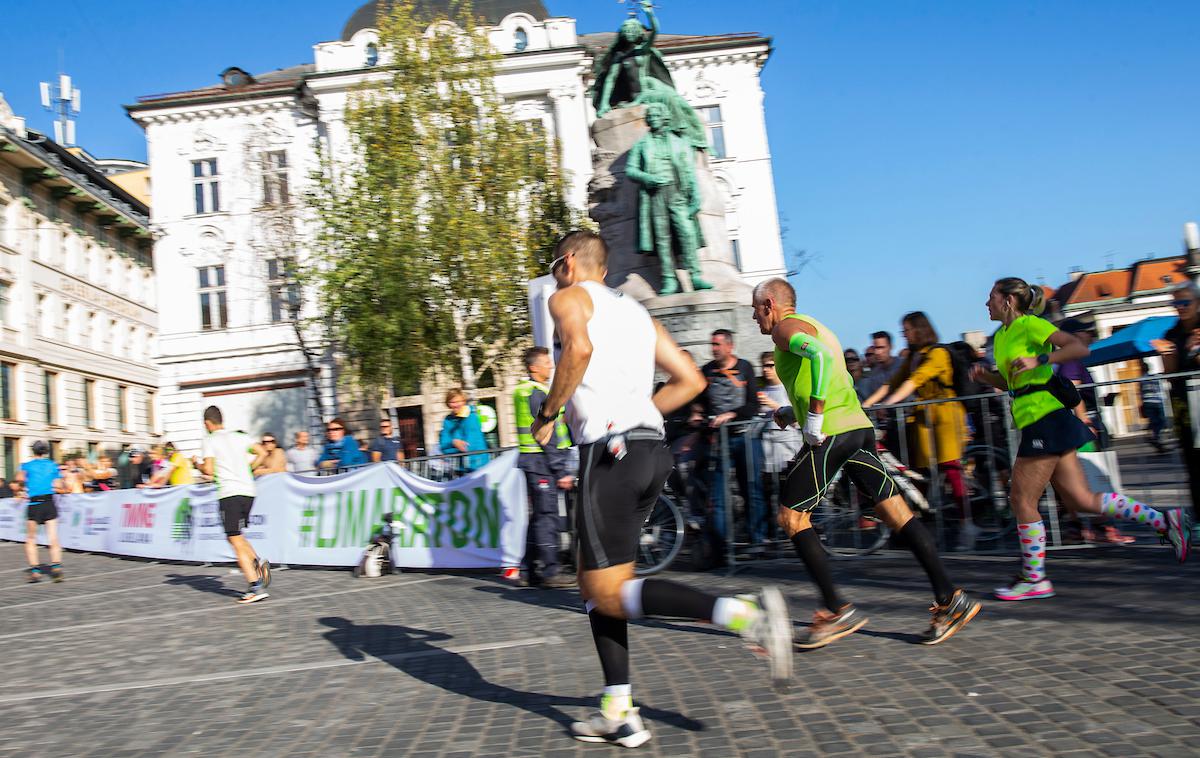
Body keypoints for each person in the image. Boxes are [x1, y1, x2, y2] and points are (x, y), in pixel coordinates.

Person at [534, 231, 792, 746]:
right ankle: (618, 709)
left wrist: (549, 413)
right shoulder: (636, 314)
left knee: (600, 589)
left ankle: (741, 616)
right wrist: (641, 414)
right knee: (604, 589)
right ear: (605, 269)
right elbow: (691, 383)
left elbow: (578, 349)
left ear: (567, 263)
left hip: (608, 451)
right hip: (650, 448)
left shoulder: (566, 297)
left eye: (553, 264)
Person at [751, 278, 980, 646]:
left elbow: (820, 360)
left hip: (831, 434)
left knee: (792, 518)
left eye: (755, 309)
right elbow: (829, 376)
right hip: (857, 428)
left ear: (770, 305)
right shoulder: (818, 326)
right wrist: (790, 412)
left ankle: (836, 611)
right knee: (898, 513)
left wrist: (812, 418)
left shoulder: (784, 330)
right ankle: (951, 598)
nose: (754, 318)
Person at [972, 277, 1190, 601]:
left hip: (1045, 419)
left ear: (1008, 301)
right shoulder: (1002, 337)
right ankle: (1163, 519)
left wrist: (1041, 359)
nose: (986, 303)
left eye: (991, 297)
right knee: (1081, 500)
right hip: (1038, 419)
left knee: (1021, 500)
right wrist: (985, 376)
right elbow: (1011, 384)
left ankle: (1035, 578)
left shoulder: (1030, 324)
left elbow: (1077, 347)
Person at [864, 312, 972, 549]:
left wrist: (889, 403)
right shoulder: (913, 356)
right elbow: (890, 383)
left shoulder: (937, 353)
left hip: (944, 417)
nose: (905, 335)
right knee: (917, 475)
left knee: (950, 469)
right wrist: (866, 405)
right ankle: (913, 529)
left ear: (919, 329)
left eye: (907, 330)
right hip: (923, 420)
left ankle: (967, 526)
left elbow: (915, 381)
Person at [512, 346, 576, 589]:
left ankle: (528, 571)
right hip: (541, 462)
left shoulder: (530, 390)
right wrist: (561, 470)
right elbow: (544, 434)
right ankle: (550, 572)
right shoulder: (535, 393)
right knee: (548, 517)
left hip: (535, 462)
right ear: (533, 367)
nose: (551, 366)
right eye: (547, 362)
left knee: (539, 516)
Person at [197, 405, 272, 604]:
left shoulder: (210, 440)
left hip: (229, 493)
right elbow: (263, 453)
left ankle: (255, 586)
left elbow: (209, 470)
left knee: (235, 540)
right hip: (248, 491)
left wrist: (197, 464)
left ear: (207, 424)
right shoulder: (240, 436)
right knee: (238, 536)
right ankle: (259, 568)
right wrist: (249, 468)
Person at [699, 329, 765, 545]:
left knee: (752, 490)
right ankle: (722, 545)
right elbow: (699, 399)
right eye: (712, 344)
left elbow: (753, 405)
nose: (714, 349)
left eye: (717, 344)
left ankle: (758, 540)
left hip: (745, 437)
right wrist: (697, 413)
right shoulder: (706, 371)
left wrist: (732, 414)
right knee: (718, 494)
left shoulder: (745, 367)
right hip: (720, 441)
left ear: (730, 346)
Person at [1155, 280, 1200, 544]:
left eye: (1184, 302)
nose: (1180, 308)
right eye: (1175, 303)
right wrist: (1167, 354)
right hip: (1185, 408)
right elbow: (1170, 374)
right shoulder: (1173, 333)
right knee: (1193, 466)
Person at [758, 351, 803, 541]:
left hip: (788, 450)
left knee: (791, 492)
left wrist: (773, 405)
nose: (766, 370)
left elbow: (796, 420)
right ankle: (774, 534)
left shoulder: (787, 388)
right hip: (768, 453)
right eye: (764, 366)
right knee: (769, 493)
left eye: (770, 365)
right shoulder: (762, 390)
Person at [17, 441, 65, 582]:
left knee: (31, 538)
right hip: (49, 502)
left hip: (34, 503)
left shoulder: (26, 465)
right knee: (53, 537)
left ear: (33, 451)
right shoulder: (52, 465)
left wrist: (25, 485)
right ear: (45, 451)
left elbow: (19, 478)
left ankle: (35, 571)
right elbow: (58, 484)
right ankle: (56, 567)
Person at [439, 389, 488, 473]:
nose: (456, 405)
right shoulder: (447, 420)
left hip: (478, 465)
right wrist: (454, 443)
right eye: (452, 402)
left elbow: (468, 446)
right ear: (448, 404)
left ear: (464, 401)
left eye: (458, 401)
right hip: (459, 468)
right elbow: (443, 446)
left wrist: (453, 448)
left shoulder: (471, 417)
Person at [1137, 359, 1167, 453]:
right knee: (1160, 421)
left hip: (1147, 402)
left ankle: (1154, 437)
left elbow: (1140, 393)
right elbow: (1160, 388)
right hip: (1157, 401)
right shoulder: (1155, 377)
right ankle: (1155, 437)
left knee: (1153, 420)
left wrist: (1142, 402)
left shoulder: (1141, 380)